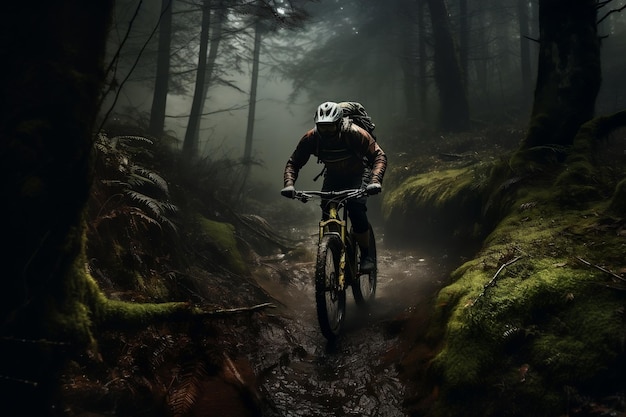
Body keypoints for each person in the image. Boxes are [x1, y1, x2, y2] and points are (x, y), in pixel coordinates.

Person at [280, 101, 387, 273]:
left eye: (330, 127)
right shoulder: (311, 138)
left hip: (359, 174)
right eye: (322, 127)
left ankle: (367, 255)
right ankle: (332, 248)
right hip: (333, 175)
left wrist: (375, 181)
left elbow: (379, 156)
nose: (326, 132)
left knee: (356, 209)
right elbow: (294, 162)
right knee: (327, 210)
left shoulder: (355, 133)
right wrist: (289, 185)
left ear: (339, 123)